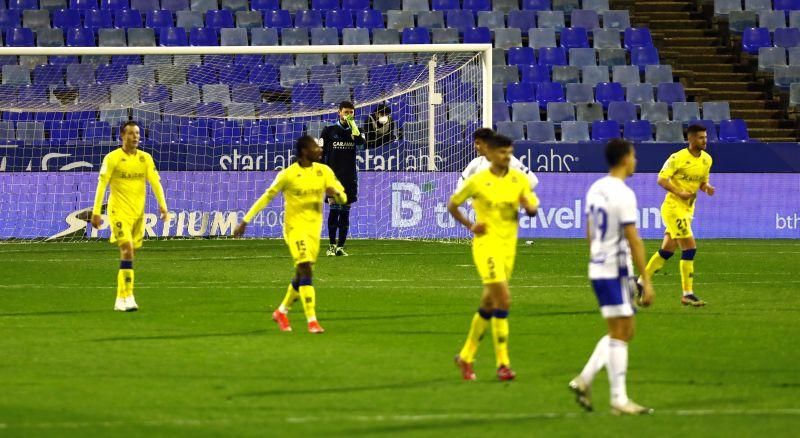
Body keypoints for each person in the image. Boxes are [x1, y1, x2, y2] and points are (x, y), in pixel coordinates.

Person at [569, 138, 655, 415]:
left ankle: (584, 379)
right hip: (616, 270)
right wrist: (646, 280)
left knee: (622, 330)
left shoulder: (595, 188)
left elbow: (589, 230)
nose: (636, 161)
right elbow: (634, 240)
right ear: (625, 158)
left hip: (598, 266)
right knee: (623, 331)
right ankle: (618, 398)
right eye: (634, 156)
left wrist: (597, 256)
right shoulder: (623, 193)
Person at [447, 134, 540, 381]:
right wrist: (470, 225)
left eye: (510, 153)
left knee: (489, 304)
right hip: (485, 246)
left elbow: (532, 206)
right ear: (491, 154)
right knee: (504, 300)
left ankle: (466, 356)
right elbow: (453, 204)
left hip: (508, 247)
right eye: (502, 153)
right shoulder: (478, 180)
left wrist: (530, 208)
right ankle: (503, 364)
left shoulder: (518, 179)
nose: (507, 157)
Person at [234, 135, 346, 334]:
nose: (320, 149)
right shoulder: (288, 174)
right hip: (294, 229)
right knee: (305, 269)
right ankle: (312, 320)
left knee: (301, 273)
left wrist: (334, 193)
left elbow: (344, 197)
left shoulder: (324, 171)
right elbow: (266, 197)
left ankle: (281, 311)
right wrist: (245, 221)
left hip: (313, 231)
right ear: (304, 151)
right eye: (315, 147)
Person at [91, 121, 169, 312]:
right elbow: (102, 185)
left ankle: (121, 298)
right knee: (126, 249)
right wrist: (95, 212)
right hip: (118, 212)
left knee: (130, 253)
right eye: (131, 133)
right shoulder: (112, 158)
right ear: (122, 136)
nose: (135, 137)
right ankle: (128, 296)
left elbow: (155, 183)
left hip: (138, 214)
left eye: (137, 133)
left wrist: (163, 207)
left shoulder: (145, 158)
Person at [638, 124, 714, 307]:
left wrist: (706, 188)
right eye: (701, 137)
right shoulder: (677, 158)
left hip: (688, 210)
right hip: (673, 208)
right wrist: (679, 192)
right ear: (691, 139)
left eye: (705, 137)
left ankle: (641, 281)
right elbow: (661, 179)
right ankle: (687, 293)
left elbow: (702, 182)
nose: (705, 140)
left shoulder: (707, 160)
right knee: (690, 248)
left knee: (667, 250)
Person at [321, 101, 366, 257]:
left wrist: (353, 126)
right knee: (334, 212)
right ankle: (332, 246)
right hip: (332, 178)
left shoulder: (356, 131)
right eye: (346, 112)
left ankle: (340, 246)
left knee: (345, 213)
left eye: (351, 113)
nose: (348, 115)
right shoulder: (328, 131)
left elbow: (361, 144)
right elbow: (321, 153)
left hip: (349, 177)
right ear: (339, 112)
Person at [457, 128, 539, 193]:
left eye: (478, 143)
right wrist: (470, 201)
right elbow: (462, 183)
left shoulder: (509, 161)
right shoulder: (475, 163)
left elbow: (533, 181)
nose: (475, 147)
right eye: (475, 143)